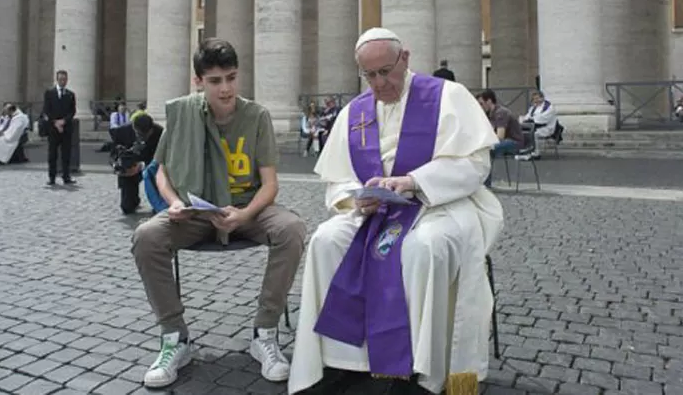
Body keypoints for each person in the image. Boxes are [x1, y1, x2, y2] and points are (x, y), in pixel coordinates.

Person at [288, 28, 505, 395]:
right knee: (325, 240)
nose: (378, 83)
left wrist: (415, 181)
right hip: (374, 215)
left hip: (439, 206)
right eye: (369, 75)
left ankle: (426, 370)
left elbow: (475, 164)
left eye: (385, 71)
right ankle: (345, 361)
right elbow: (337, 180)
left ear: (405, 58)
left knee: (424, 248)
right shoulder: (355, 112)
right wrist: (357, 199)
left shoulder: (447, 97)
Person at [130, 38, 307, 389]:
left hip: (248, 209)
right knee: (146, 237)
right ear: (198, 81)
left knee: (292, 229)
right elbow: (160, 169)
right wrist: (172, 203)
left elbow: (270, 185)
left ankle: (265, 331)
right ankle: (175, 338)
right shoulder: (183, 113)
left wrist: (244, 216)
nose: (225, 88)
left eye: (231, 77)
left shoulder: (256, 116)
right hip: (196, 212)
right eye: (215, 81)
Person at [112, 113, 163, 214]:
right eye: (139, 134)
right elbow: (113, 155)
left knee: (159, 208)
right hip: (130, 170)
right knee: (127, 207)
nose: (142, 137)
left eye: (145, 135)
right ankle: (133, 200)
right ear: (133, 128)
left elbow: (163, 158)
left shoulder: (160, 133)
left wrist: (142, 166)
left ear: (151, 130)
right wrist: (118, 166)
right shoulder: (122, 132)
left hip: (152, 167)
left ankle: (159, 201)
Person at [41, 70, 76, 185]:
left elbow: (72, 111)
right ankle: (52, 177)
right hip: (53, 128)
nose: (63, 81)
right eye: (61, 79)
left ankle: (66, 176)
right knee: (52, 154)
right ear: (57, 79)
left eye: (64, 79)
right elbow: (46, 110)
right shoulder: (49, 93)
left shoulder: (70, 94)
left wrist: (64, 121)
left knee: (66, 154)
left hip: (66, 128)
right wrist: (55, 122)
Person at [519, 90, 562, 159]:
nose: (536, 100)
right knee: (524, 131)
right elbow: (527, 116)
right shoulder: (533, 107)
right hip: (535, 126)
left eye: (537, 98)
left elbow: (542, 119)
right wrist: (524, 119)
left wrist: (531, 119)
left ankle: (536, 153)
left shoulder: (549, 107)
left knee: (534, 133)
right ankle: (526, 150)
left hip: (547, 128)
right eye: (534, 99)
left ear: (542, 98)